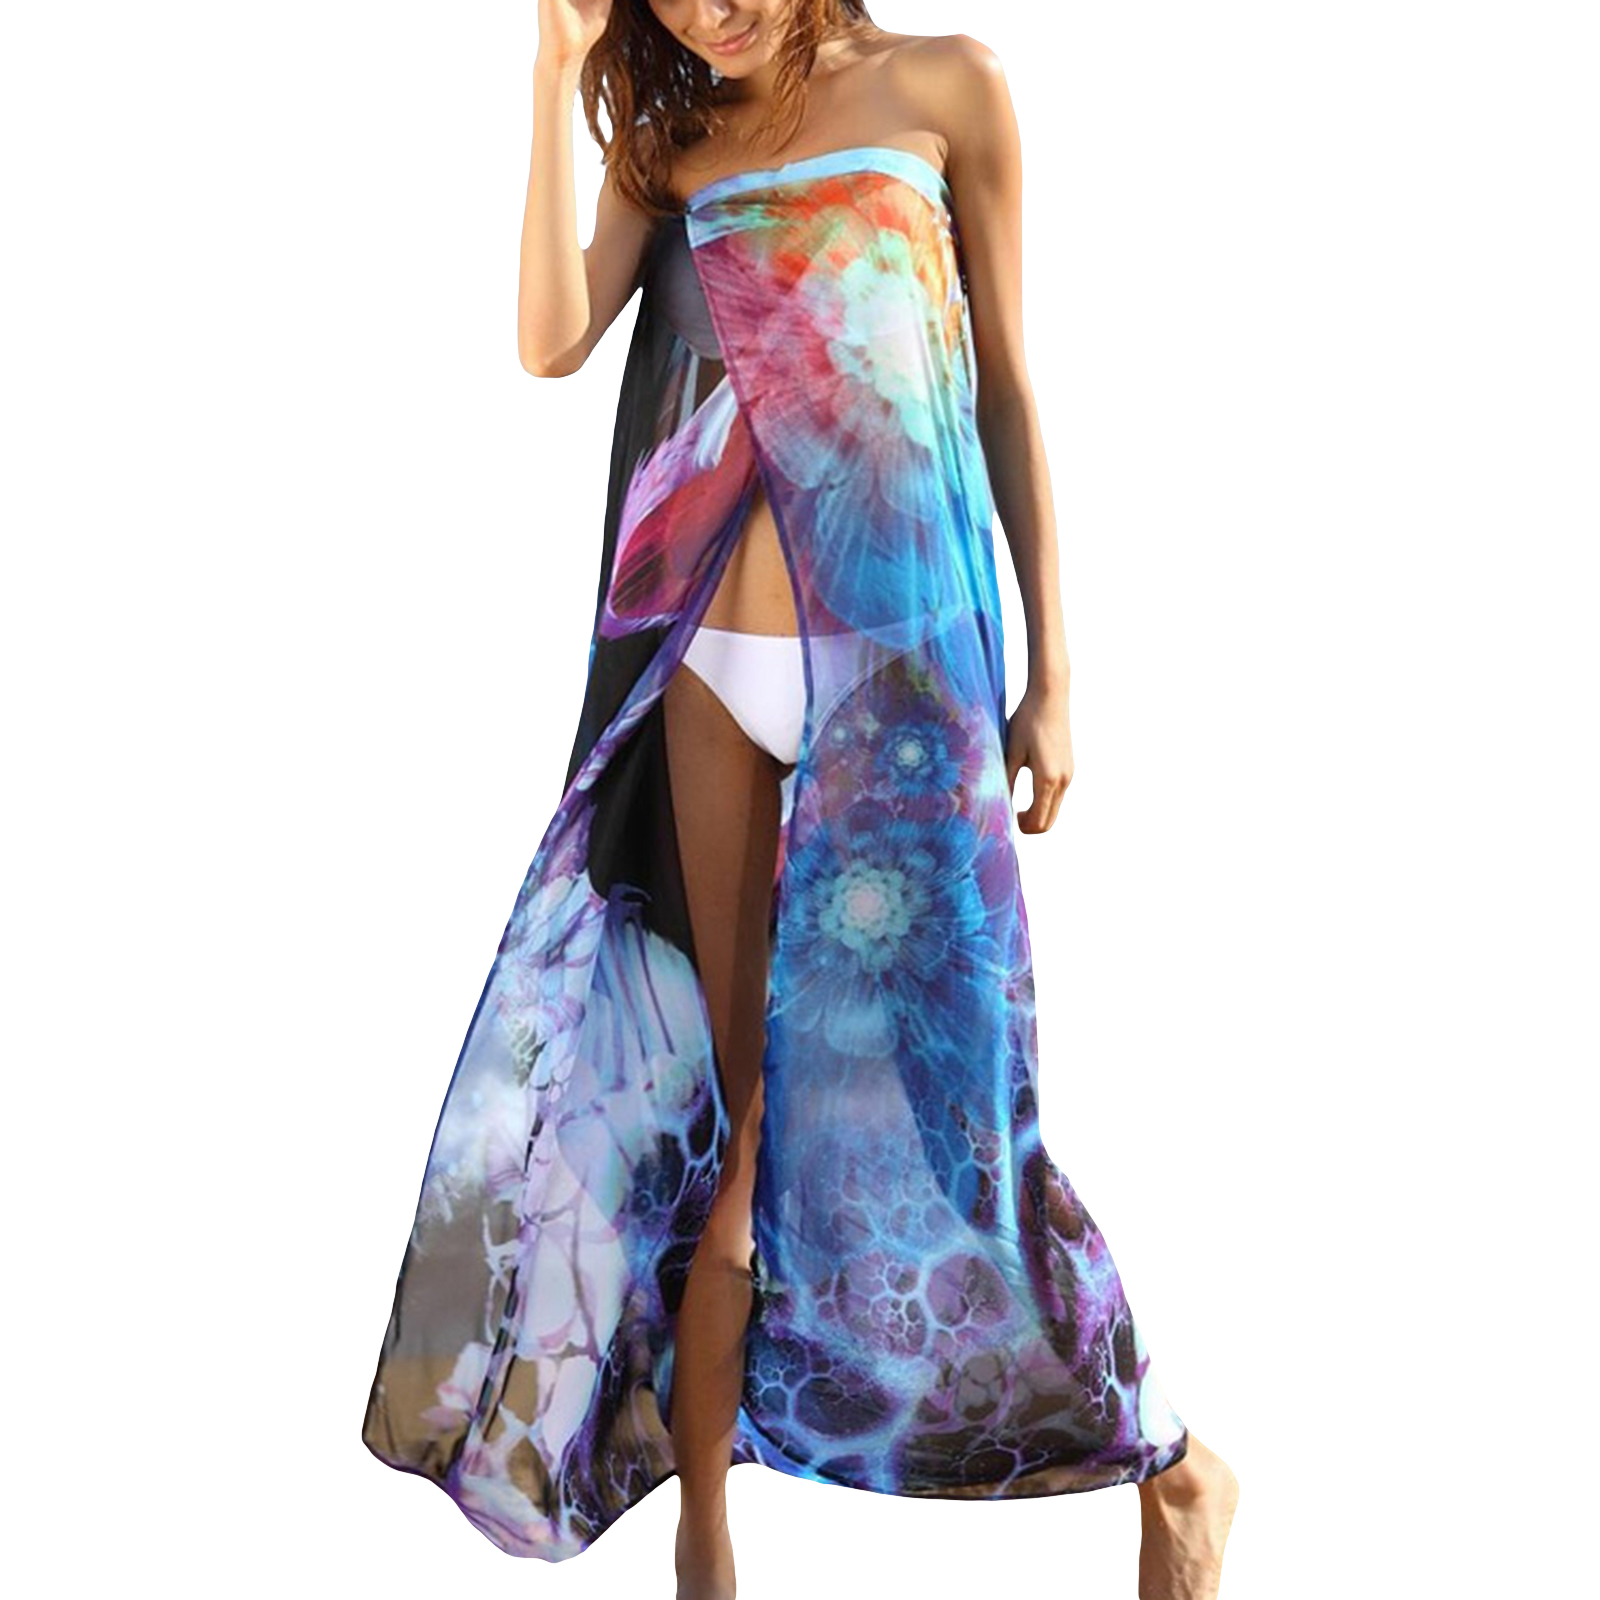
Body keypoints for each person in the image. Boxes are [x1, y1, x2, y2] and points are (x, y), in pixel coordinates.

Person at [362, 4, 1239, 1598]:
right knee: (729, 1119)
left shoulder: (946, 87)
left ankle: (1171, 1465)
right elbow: (550, 340)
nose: (714, 6)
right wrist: (552, 76)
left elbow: (1008, 390)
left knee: (960, 1119)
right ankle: (705, 1538)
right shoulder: (669, 144)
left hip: (902, 682)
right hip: (708, 665)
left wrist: (1055, 671)